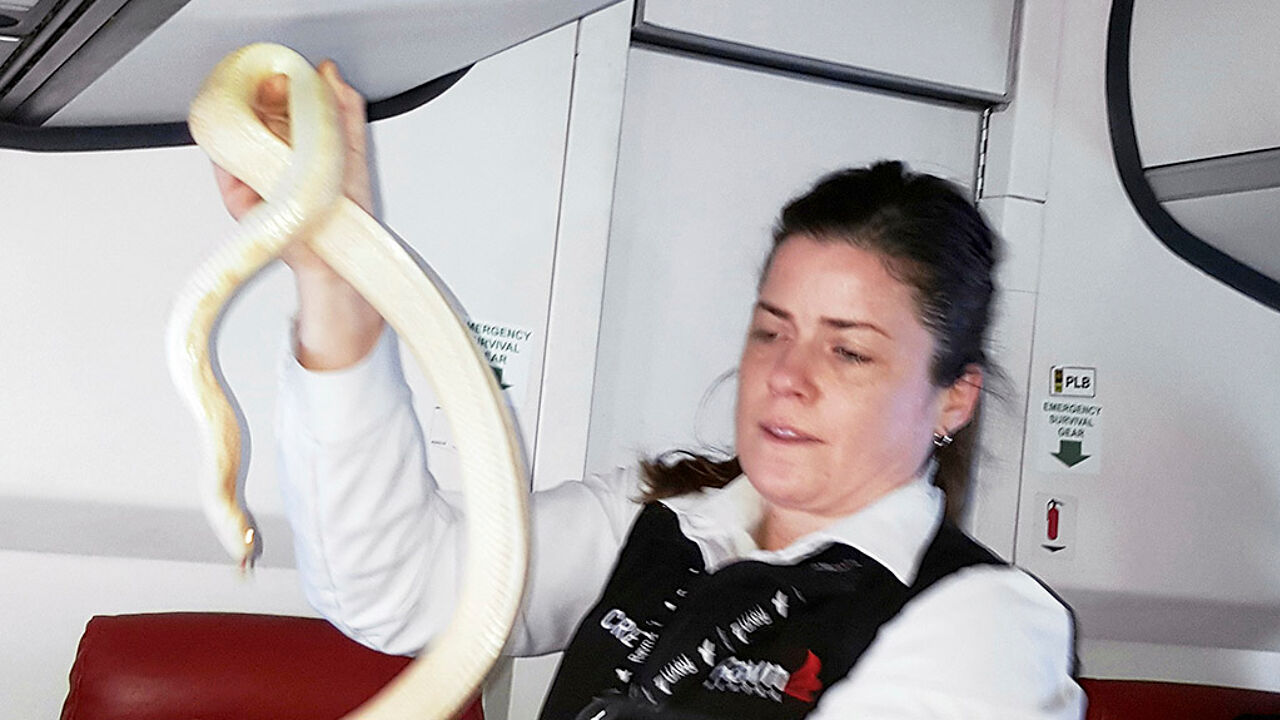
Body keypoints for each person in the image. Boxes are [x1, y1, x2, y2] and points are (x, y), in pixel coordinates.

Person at [215, 64, 1084, 719]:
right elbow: (396, 589)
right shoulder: (663, 520)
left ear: (953, 398)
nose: (787, 376)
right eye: (771, 330)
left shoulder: (989, 625)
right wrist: (338, 273)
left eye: (849, 352)